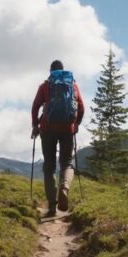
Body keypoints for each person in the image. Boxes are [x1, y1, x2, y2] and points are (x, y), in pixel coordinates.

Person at [31, 60, 84, 216]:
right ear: (63, 70)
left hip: (47, 129)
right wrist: (76, 124)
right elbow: (81, 107)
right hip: (67, 128)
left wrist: (35, 125)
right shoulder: (72, 85)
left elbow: (35, 107)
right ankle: (64, 187)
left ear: (50, 71)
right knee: (67, 162)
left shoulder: (45, 86)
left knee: (49, 166)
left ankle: (52, 207)